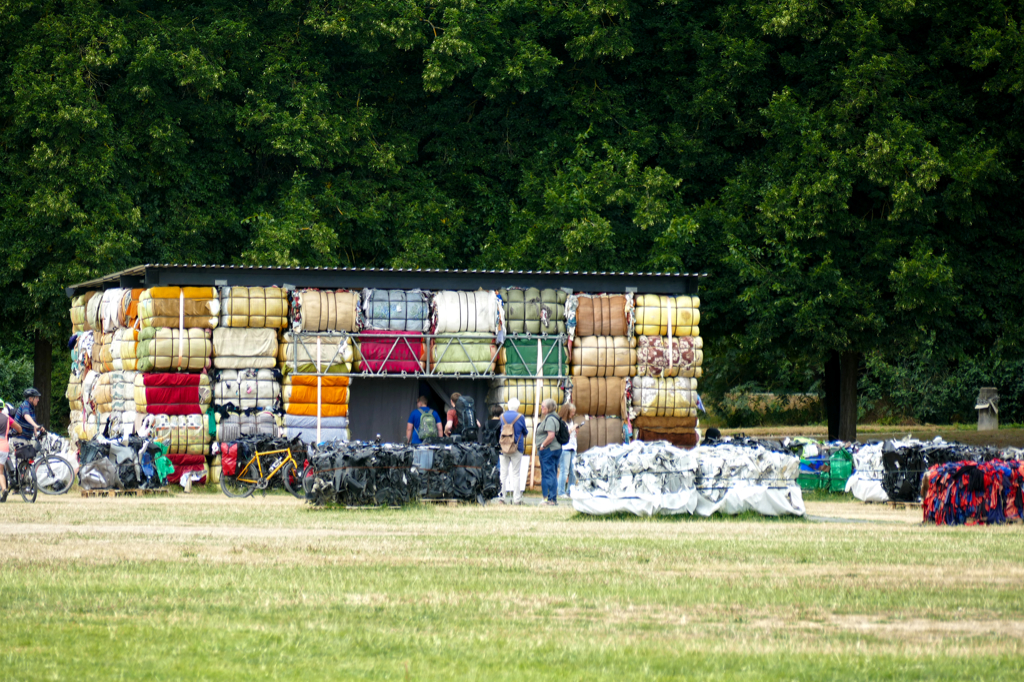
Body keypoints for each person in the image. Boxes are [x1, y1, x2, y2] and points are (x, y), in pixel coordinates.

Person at [498, 397, 528, 505]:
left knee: (503, 473)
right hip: (516, 447)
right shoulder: (520, 417)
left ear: (508, 406)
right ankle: (516, 499)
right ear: (518, 407)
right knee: (516, 474)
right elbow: (525, 431)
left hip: (503, 447)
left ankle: (501, 498)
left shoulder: (502, 416)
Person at [537, 398, 562, 506]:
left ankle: (551, 499)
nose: (542, 408)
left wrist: (543, 445)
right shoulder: (552, 417)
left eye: (543, 407)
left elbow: (551, 435)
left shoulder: (551, 419)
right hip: (552, 449)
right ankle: (547, 498)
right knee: (549, 473)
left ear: (549, 408)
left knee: (549, 474)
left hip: (549, 450)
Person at [1, 403, 24, 502]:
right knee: (0, 472)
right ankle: (4, 489)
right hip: (4, 446)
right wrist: (19, 432)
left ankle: (5, 489)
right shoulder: (7, 418)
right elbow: (19, 428)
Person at [556, 403, 577, 498]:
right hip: (565, 447)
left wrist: (576, 431)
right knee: (564, 470)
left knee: (573, 470)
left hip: (573, 446)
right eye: (572, 412)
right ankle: (561, 491)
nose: (573, 414)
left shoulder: (571, 421)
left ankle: (570, 490)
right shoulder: (561, 422)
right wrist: (572, 429)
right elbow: (564, 434)